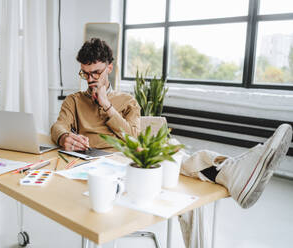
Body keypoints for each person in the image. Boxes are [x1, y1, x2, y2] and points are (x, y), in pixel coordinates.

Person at [50, 38, 292, 247]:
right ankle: (234, 171)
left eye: (96, 73)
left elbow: (133, 137)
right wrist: (64, 136)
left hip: (132, 161)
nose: (90, 80)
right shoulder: (74, 100)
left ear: (109, 69)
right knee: (179, 166)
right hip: (101, 168)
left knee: (176, 160)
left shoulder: (126, 101)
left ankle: (233, 171)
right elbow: (58, 125)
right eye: (85, 73)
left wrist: (106, 105)